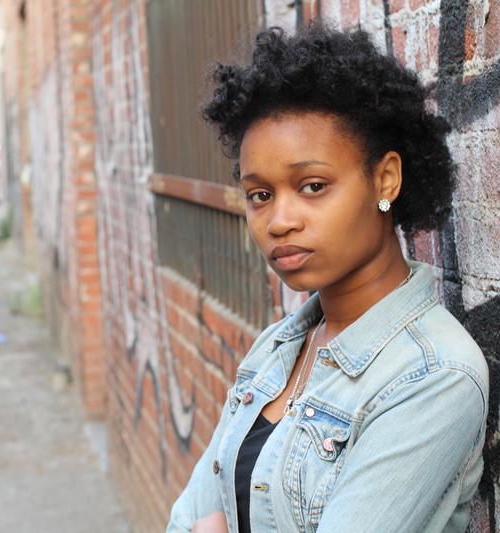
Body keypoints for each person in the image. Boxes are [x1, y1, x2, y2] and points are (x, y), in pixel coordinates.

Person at [166, 23, 489, 533]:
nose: (279, 221)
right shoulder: (277, 348)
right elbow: (187, 516)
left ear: (385, 179)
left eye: (312, 186)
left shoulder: (433, 377)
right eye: (260, 195)